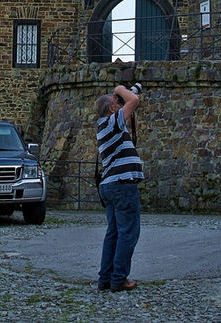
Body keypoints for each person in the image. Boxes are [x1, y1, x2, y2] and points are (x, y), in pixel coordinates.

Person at [95, 83, 144, 292]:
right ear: (112, 108)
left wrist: (125, 93)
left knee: (113, 233)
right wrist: (120, 88)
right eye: (116, 102)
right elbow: (134, 101)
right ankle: (119, 279)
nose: (119, 102)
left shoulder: (108, 125)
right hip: (122, 186)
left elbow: (132, 125)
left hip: (111, 186)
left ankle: (106, 279)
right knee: (128, 233)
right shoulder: (111, 122)